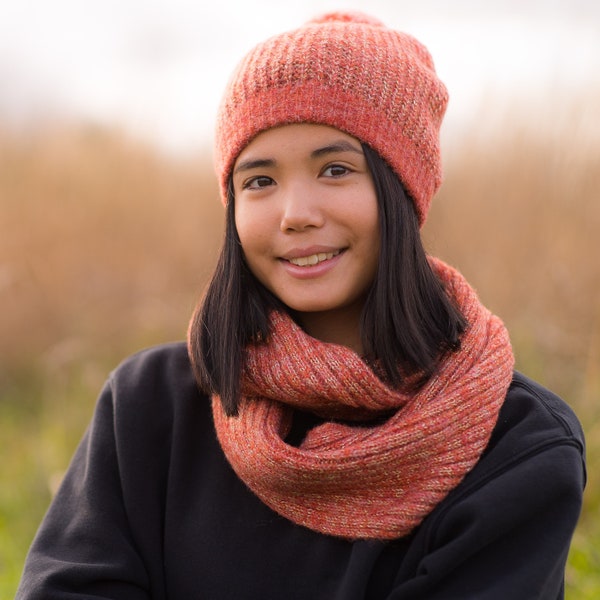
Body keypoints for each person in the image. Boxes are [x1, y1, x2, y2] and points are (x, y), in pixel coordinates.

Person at [17, 11, 586, 600]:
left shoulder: (515, 446)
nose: (296, 213)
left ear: (403, 190)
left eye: (335, 169)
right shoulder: (148, 407)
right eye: (259, 181)